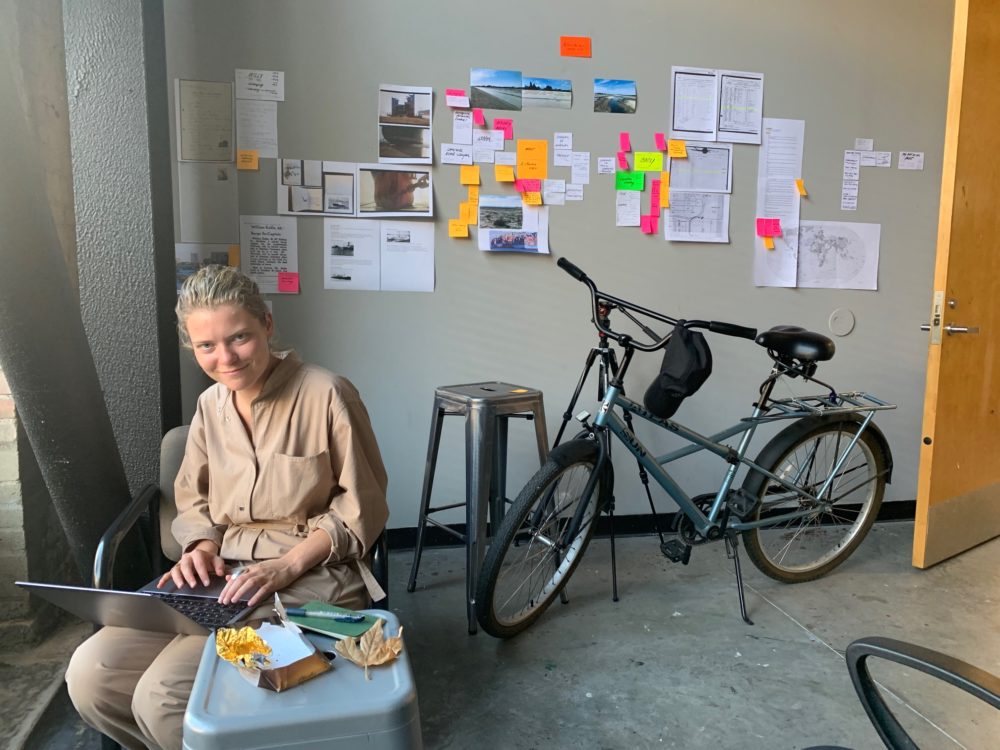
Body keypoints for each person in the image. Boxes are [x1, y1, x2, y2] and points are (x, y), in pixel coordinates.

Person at [65, 265, 389, 750]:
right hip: (224, 576)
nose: (225, 358)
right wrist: (198, 545)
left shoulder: (327, 394)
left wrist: (282, 568)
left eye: (239, 337)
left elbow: (361, 509)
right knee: (92, 674)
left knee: (162, 697)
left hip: (311, 576)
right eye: (206, 346)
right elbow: (191, 500)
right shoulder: (209, 407)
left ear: (267, 324)